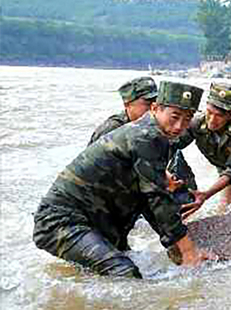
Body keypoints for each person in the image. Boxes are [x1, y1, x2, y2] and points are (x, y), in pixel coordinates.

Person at [33, 81, 212, 278]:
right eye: (174, 117)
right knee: (124, 272)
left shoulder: (158, 136)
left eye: (187, 120)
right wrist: (188, 252)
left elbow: (150, 202)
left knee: (126, 265)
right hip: (62, 221)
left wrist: (176, 250)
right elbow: (157, 198)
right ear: (155, 109)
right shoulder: (146, 137)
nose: (180, 126)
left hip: (102, 220)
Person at [176, 83, 231, 217]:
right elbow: (174, 145)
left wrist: (206, 194)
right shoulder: (196, 123)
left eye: (219, 115)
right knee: (226, 213)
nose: (212, 120)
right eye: (209, 112)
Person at [89, 76, 158, 144]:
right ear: (127, 104)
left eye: (157, 102)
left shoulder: (158, 125)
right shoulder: (112, 130)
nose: (154, 108)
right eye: (148, 103)